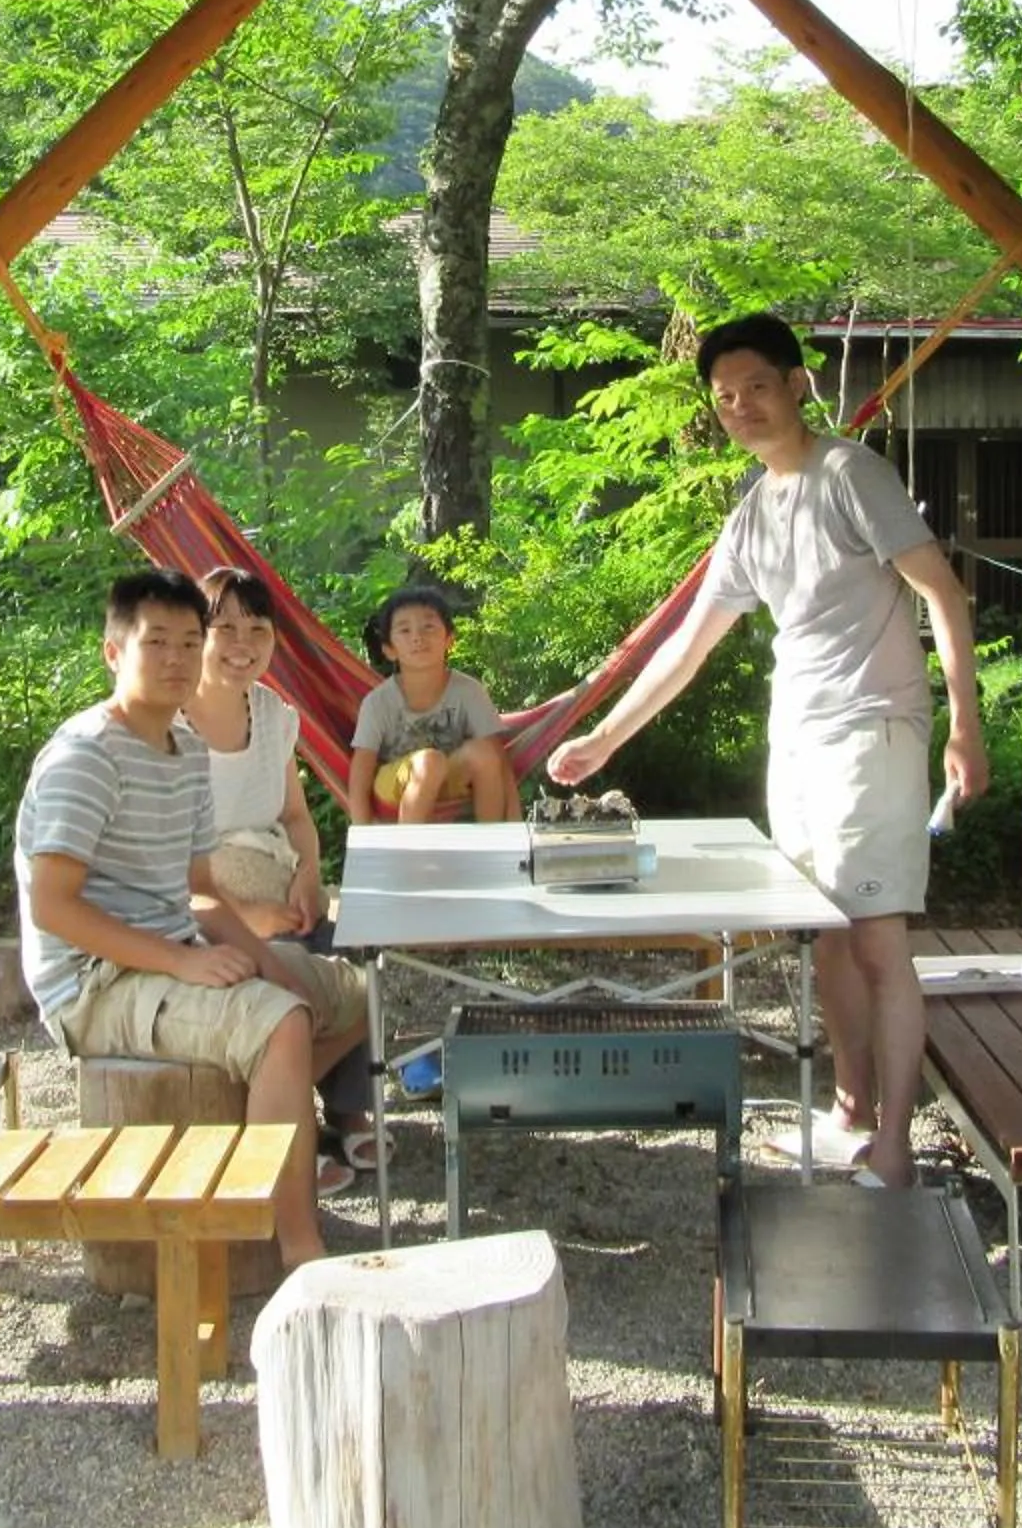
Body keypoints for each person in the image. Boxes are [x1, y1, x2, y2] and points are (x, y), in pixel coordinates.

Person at [550, 312, 986, 1190]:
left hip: (873, 734)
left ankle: (895, 1149)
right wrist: (604, 738)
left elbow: (942, 592)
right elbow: (689, 644)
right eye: (723, 396)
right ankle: (852, 1113)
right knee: (822, 943)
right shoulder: (754, 510)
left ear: (798, 385)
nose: (740, 406)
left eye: (755, 386)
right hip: (799, 746)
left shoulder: (850, 473)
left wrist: (966, 726)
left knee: (877, 943)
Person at [16, 568, 371, 1261]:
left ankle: (252, 1140)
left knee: (357, 993)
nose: (178, 658)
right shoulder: (87, 755)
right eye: (159, 643)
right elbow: (53, 907)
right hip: (94, 983)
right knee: (280, 1025)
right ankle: (297, 1247)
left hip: (171, 950)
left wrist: (272, 963)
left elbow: (202, 891)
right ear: (114, 653)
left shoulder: (185, 753)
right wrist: (184, 960)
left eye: (188, 640)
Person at [180, 563, 384, 1170]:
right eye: (226, 627)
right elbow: (162, 866)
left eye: (258, 628)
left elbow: (295, 816)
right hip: (206, 910)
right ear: (195, 635)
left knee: (362, 952)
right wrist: (246, 916)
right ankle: (275, 1135)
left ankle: (343, 1113)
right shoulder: (165, 724)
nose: (243, 644)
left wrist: (309, 877)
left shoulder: (271, 715)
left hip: (282, 887)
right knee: (291, 983)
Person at [343, 582, 520, 824]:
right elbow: (361, 773)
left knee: (483, 753)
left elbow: (500, 763)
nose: (418, 637)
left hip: (447, 777)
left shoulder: (469, 691)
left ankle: (491, 842)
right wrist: (363, 837)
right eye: (405, 631)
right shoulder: (378, 702)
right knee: (429, 762)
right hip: (393, 783)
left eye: (428, 627)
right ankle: (412, 855)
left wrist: (514, 825)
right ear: (389, 649)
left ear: (449, 640)